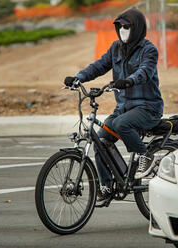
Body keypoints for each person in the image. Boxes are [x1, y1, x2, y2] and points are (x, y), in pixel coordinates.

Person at [63, 8, 164, 205]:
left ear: (137, 28)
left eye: (127, 26)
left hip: (147, 108)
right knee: (101, 141)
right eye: (120, 27)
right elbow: (99, 66)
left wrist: (129, 81)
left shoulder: (148, 50)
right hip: (124, 108)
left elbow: (145, 71)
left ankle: (146, 156)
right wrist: (78, 78)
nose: (123, 30)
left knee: (121, 124)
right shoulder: (115, 48)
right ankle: (107, 187)